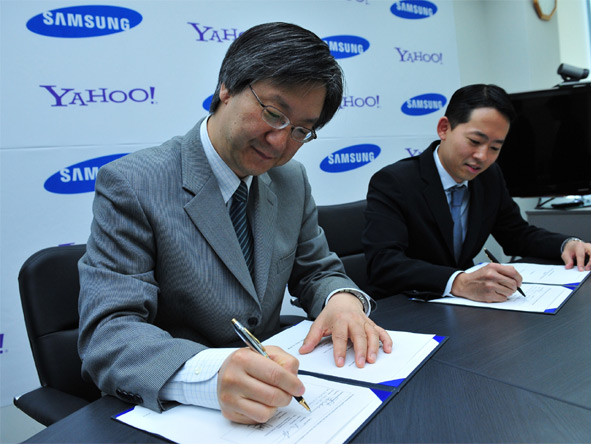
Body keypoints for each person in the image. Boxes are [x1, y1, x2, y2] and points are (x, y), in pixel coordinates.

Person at [78, 22, 392, 425]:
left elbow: (317, 270)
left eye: (300, 130)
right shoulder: (134, 183)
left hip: (275, 401)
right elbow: (109, 333)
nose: (280, 142)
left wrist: (342, 301)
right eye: (273, 113)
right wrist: (207, 376)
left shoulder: (290, 180)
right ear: (226, 86)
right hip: (180, 412)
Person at [362, 84, 591, 302]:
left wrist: (566, 245)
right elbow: (384, 264)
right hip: (405, 308)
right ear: (444, 128)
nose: (483, 157)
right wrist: (458, 282)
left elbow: (516, 234)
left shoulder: (489, 177)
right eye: (475, 141)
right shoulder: (395, 181)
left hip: (465, 309)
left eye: (495, 147)